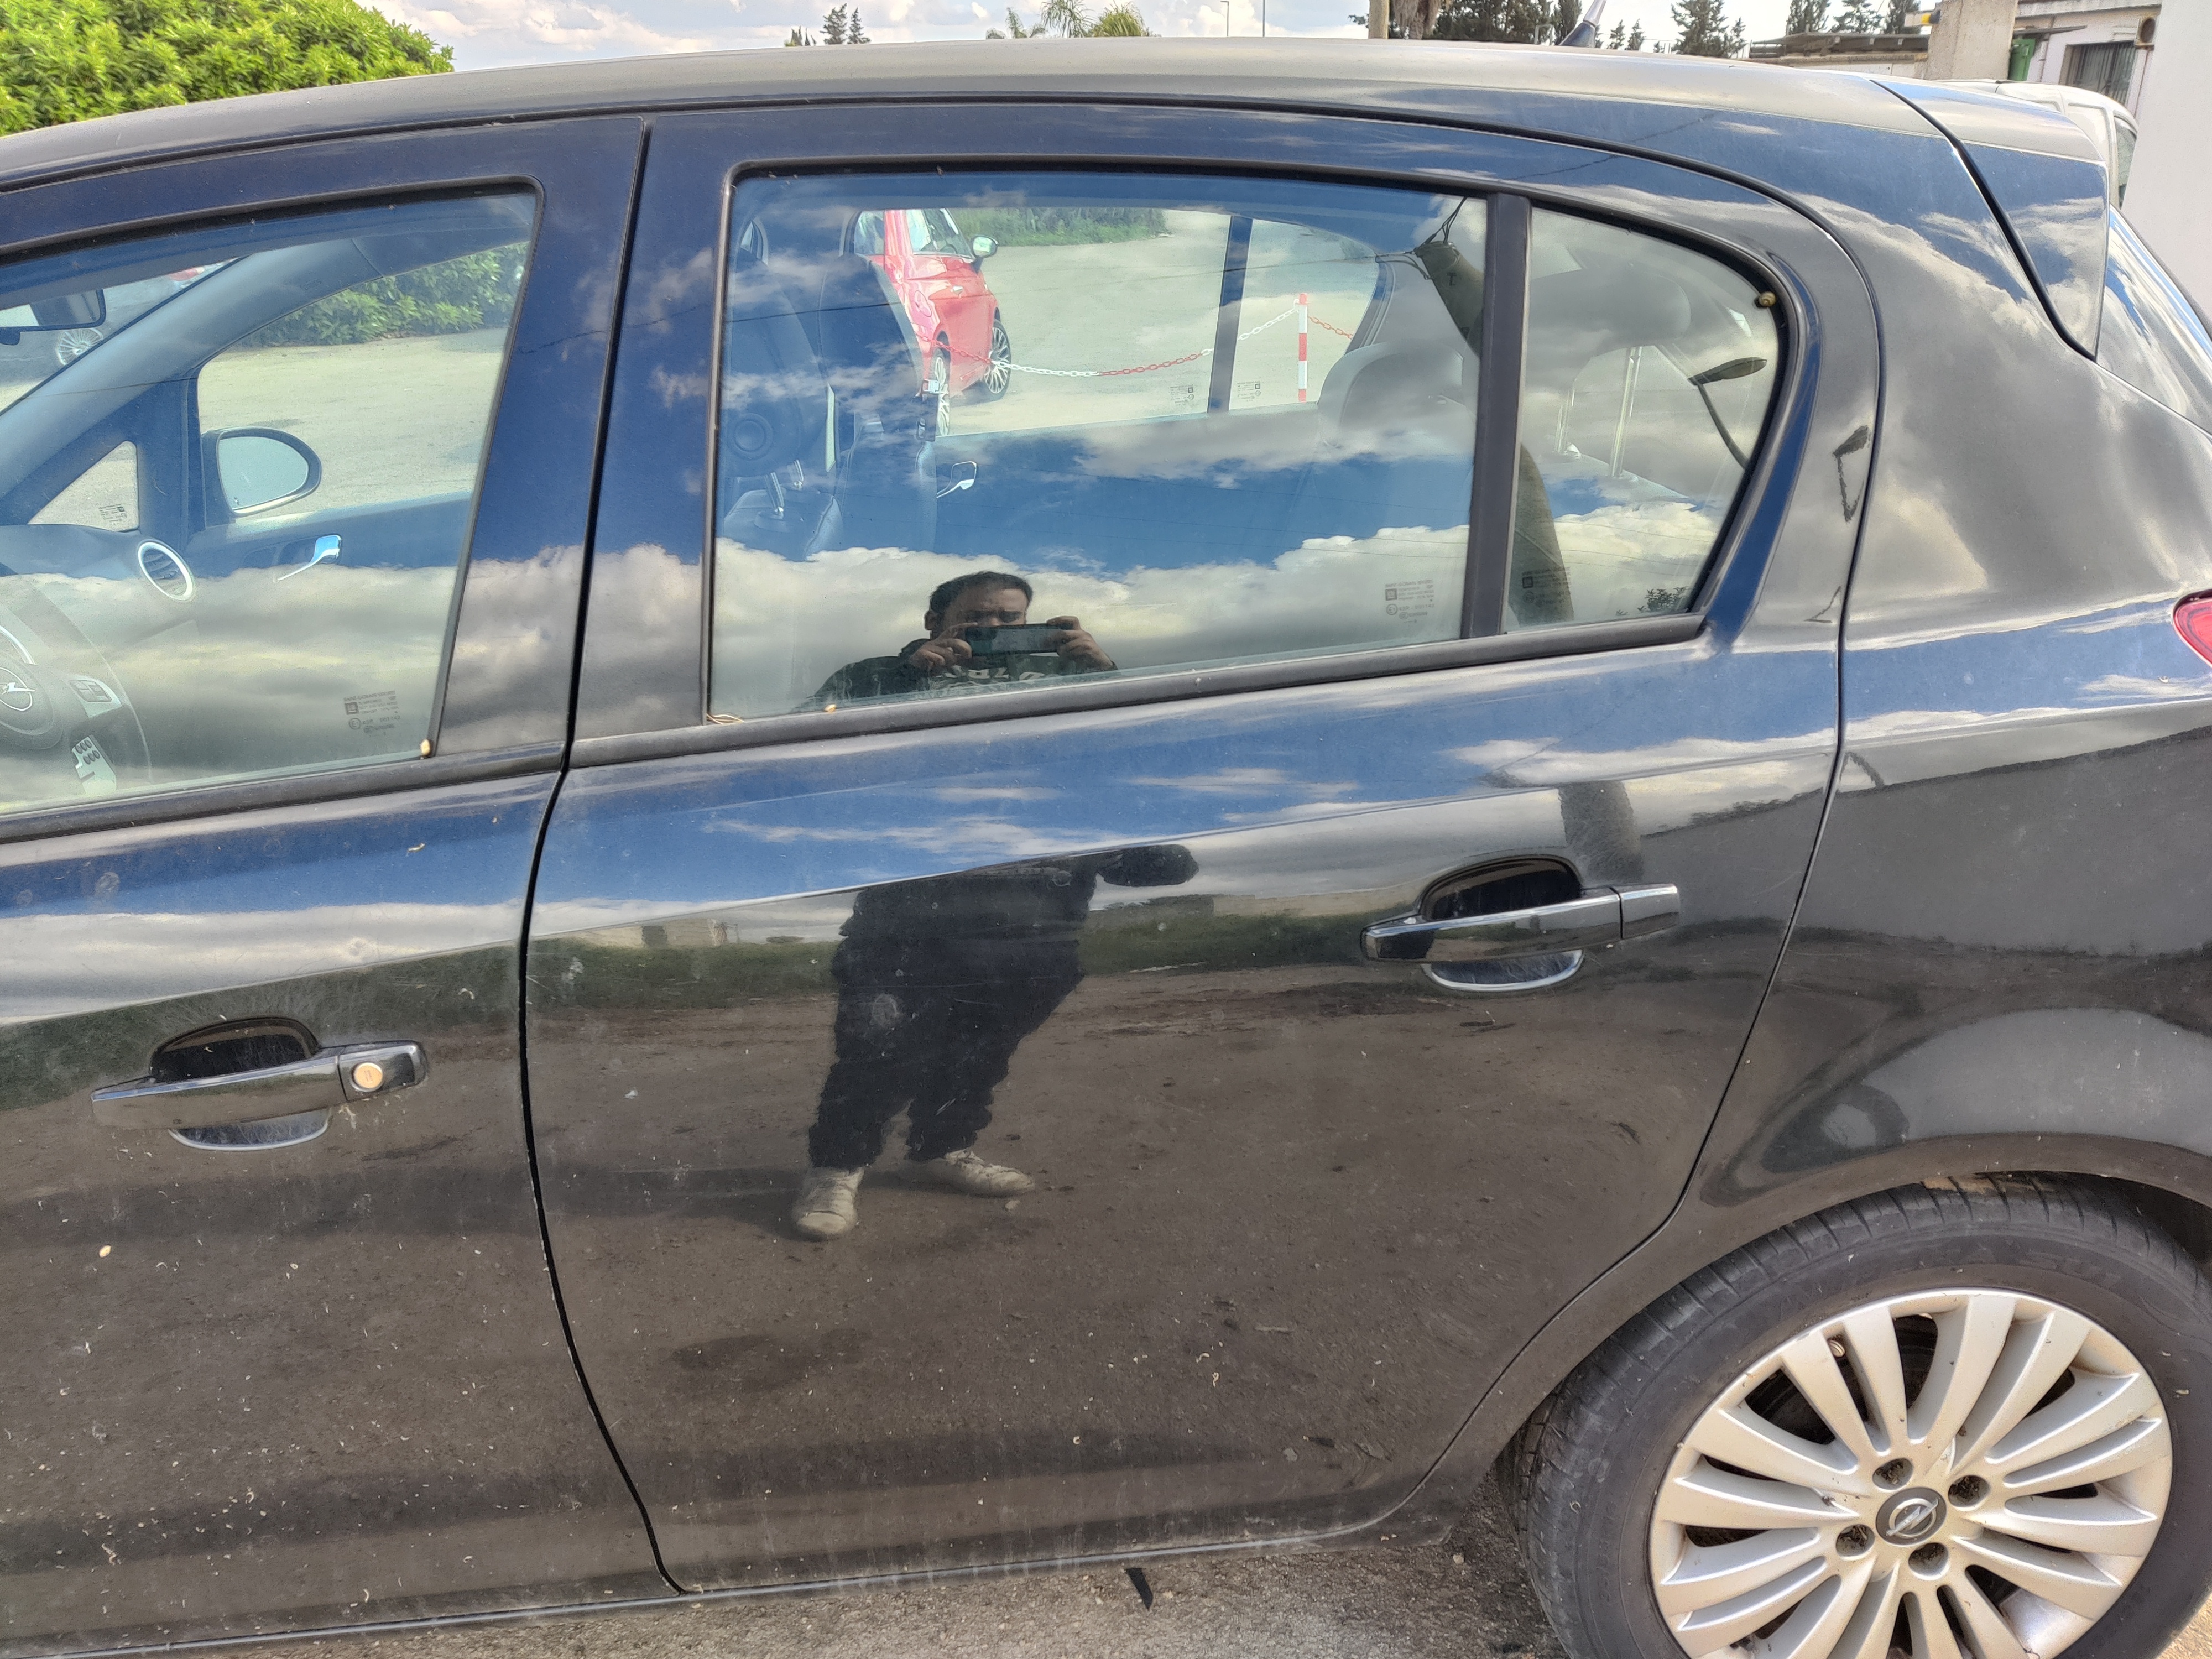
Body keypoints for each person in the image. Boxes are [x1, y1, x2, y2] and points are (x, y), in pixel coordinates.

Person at [790, 842, 1197, 1242]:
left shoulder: (1075, 808)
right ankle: (835, 1169)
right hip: (905, 940)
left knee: (980, 1058)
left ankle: (940, 1151)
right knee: (879, 1059)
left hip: (1032, 947)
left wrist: (1158, 856)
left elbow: (1149, 864)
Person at [801, 570, 1113, 710]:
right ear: (932, 621)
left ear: (1025, 620)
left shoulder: (1065, 672)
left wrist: (1102, 669)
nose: (992, 626)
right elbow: (809, 724)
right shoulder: (866, 674)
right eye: (976, 616)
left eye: (1009, 617)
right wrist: (907, 675)